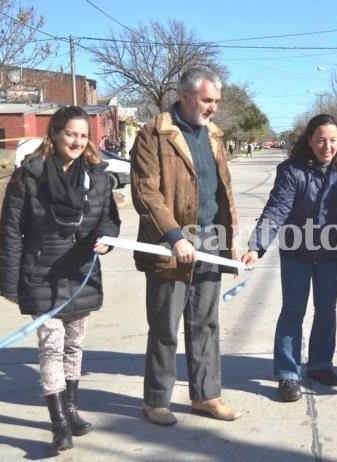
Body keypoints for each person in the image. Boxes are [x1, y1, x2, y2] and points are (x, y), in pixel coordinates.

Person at [0, 106, 121, 452]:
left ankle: (72, 409)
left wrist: (106, 239)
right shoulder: (28, 178)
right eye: (71, 134)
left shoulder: (96, 176)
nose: (78, 142)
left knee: (74, 346)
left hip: (81, 273)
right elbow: (10, 233)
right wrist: (11, 285)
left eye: (83, 136)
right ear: (54, 134)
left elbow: (109, 219)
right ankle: (59, 423)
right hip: (41, 275)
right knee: (51, 347)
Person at [130, 66, 241, 426]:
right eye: (208, 100)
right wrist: (175, 236)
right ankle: (156, 401)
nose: (213, 108)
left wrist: (231, 238)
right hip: (169, 245)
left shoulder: (214, 137)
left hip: (210, 241)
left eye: (216, 102)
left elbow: (223, 191)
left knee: (205, 324)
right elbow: (146, 192)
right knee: (165, 326)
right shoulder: (153, 135)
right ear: (185, 96)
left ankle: (206, 396)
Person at [240, 114, 337, 402]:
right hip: (296, 254)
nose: (327, 146)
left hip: (329, 255)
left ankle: (321, 365)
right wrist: (256, 246)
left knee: (327, 310)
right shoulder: (291, 171)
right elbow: (277, 210)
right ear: (309, 141)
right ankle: (288, 374)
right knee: (293, 311)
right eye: (321, 140)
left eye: (333, 140)